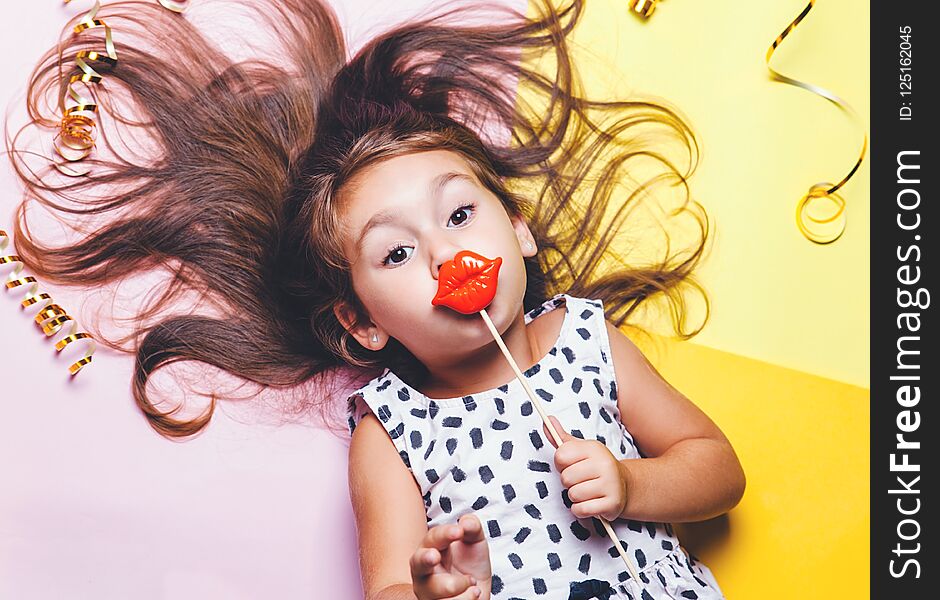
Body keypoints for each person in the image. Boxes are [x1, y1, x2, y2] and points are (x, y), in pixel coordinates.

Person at [7, 1, 744, 598]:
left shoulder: (589, 341)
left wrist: (631, 483)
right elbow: (389, 582)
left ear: (519, 231)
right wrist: (435, 591)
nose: (445, 254)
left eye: (460, 215)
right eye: (396, 252)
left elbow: (718, 469)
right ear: (359, 322)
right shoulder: (393, 430)